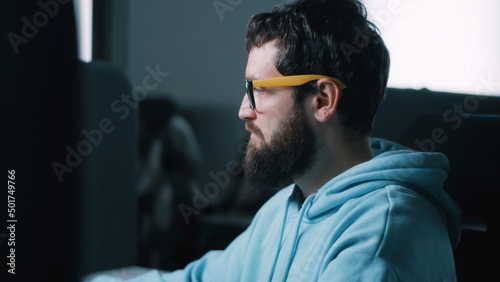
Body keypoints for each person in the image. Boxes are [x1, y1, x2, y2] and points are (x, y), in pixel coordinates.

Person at [88, 0, 460, 281]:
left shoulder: (380, 239)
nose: (243, 110)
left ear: (323, 100)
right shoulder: (288, 206)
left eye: (259, 91)